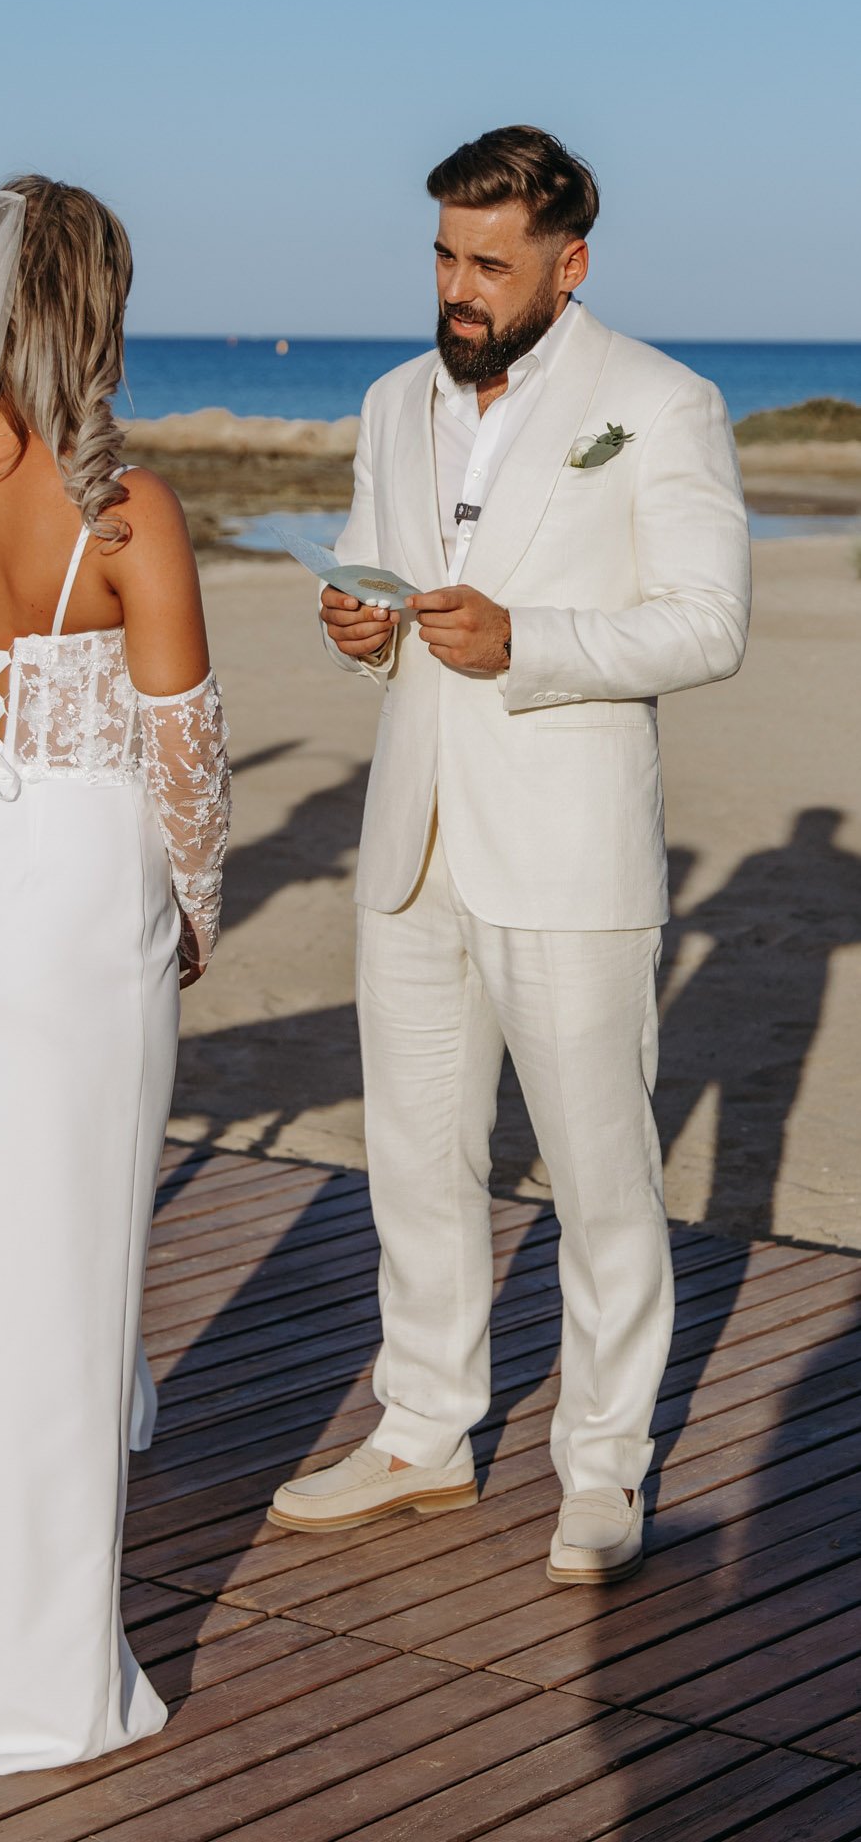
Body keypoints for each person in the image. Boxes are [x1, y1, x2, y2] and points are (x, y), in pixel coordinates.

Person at [267, 126, 749, 1586]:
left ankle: (602, 1469)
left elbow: (704, 622)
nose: (458, 287)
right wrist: (359, 633)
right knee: (411, 1157)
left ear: (567, 261)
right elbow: (371, 566)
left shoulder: (659, 403)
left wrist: (528, 643)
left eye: (488, 262)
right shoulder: (384, 398)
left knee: (602, 1175)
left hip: (563, 846)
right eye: (442, 255)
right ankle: (422, 1431)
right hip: (410, 836)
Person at [0, 177, 230, 1769]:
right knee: (66, 1271)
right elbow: (187, 760)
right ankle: (37, 1683)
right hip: (73, 895)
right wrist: (194, 925)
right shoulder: (128, 509)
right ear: (95, 310)